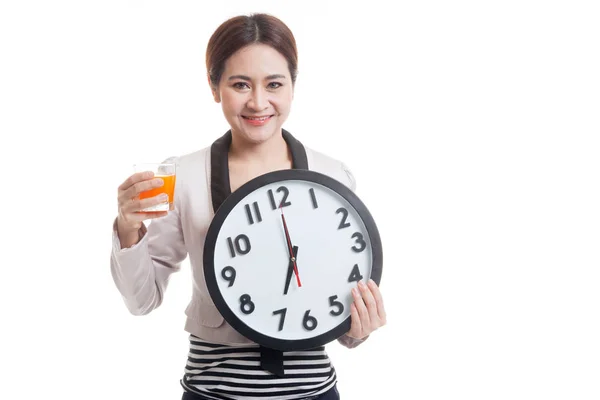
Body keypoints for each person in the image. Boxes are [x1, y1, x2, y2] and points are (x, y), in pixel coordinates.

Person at [110, 13, 386, 400]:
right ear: (214, 86)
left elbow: (342, 312)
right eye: (240, 84)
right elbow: (141, 301)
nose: (258, 102)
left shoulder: (332, 178)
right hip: (212, 392)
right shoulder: (186, 176)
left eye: (274, 83)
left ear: (293, 85)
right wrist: (128, 227)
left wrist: (359, 329)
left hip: (312, 392)